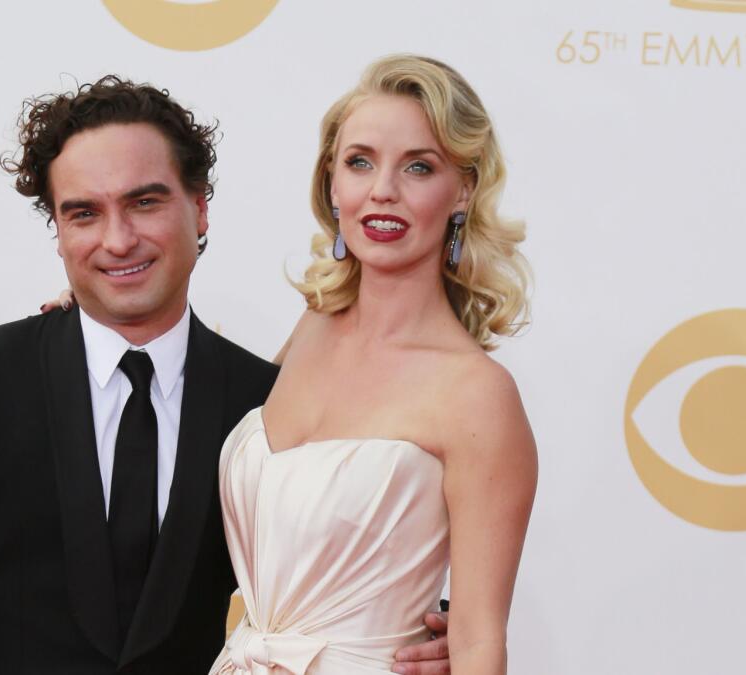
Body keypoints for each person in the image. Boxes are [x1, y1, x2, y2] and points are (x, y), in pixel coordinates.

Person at [0, 76, 451, 675]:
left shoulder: (262, 404)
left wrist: (422, 628)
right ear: (59, 232)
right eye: (84, 213)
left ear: (198, 209)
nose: (118, 240)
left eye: (144, 203)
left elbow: (329, 552)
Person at [208, 55, 537, 675]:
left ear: (463, 190)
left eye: (419, 166)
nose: (383, 189)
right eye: (360, 161)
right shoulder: (311, 327)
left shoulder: (477, 394)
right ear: (332, 183)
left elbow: (476, 641)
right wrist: (100, 327)